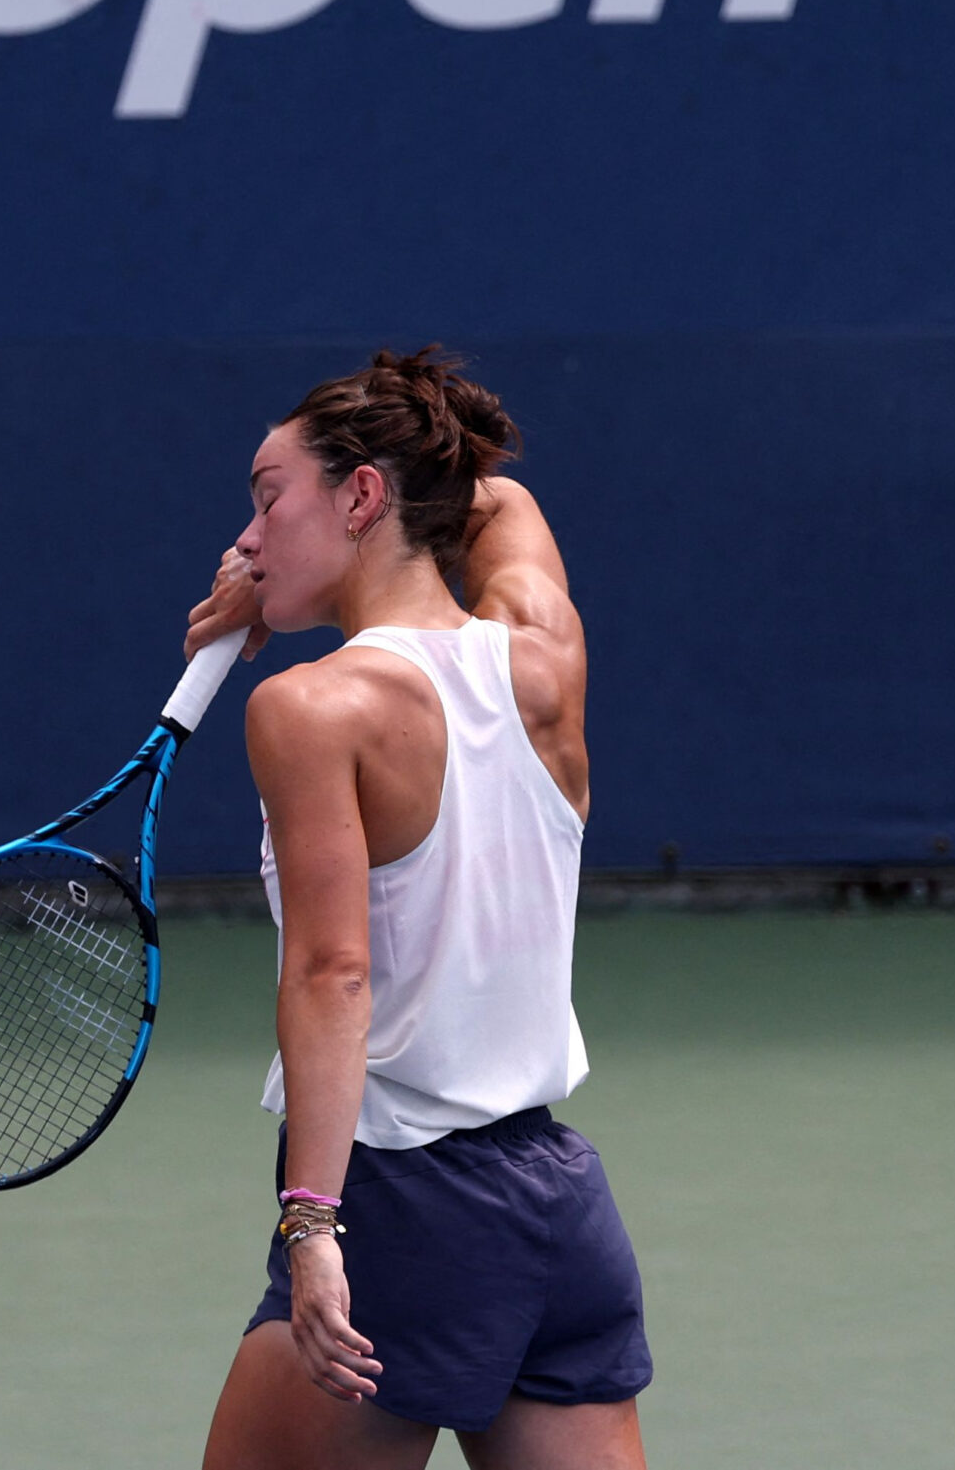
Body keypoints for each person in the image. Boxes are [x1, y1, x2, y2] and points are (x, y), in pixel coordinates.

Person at [185, 348, 652, 1470]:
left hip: (400, 1210)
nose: (244, 540)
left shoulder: (308, 709)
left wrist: (312, 1225)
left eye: (265, 498)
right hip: (560, 1213)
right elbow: (500, 498)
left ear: (360, 495)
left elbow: (332, 974)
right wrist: (306, 553)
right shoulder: (544, 656)